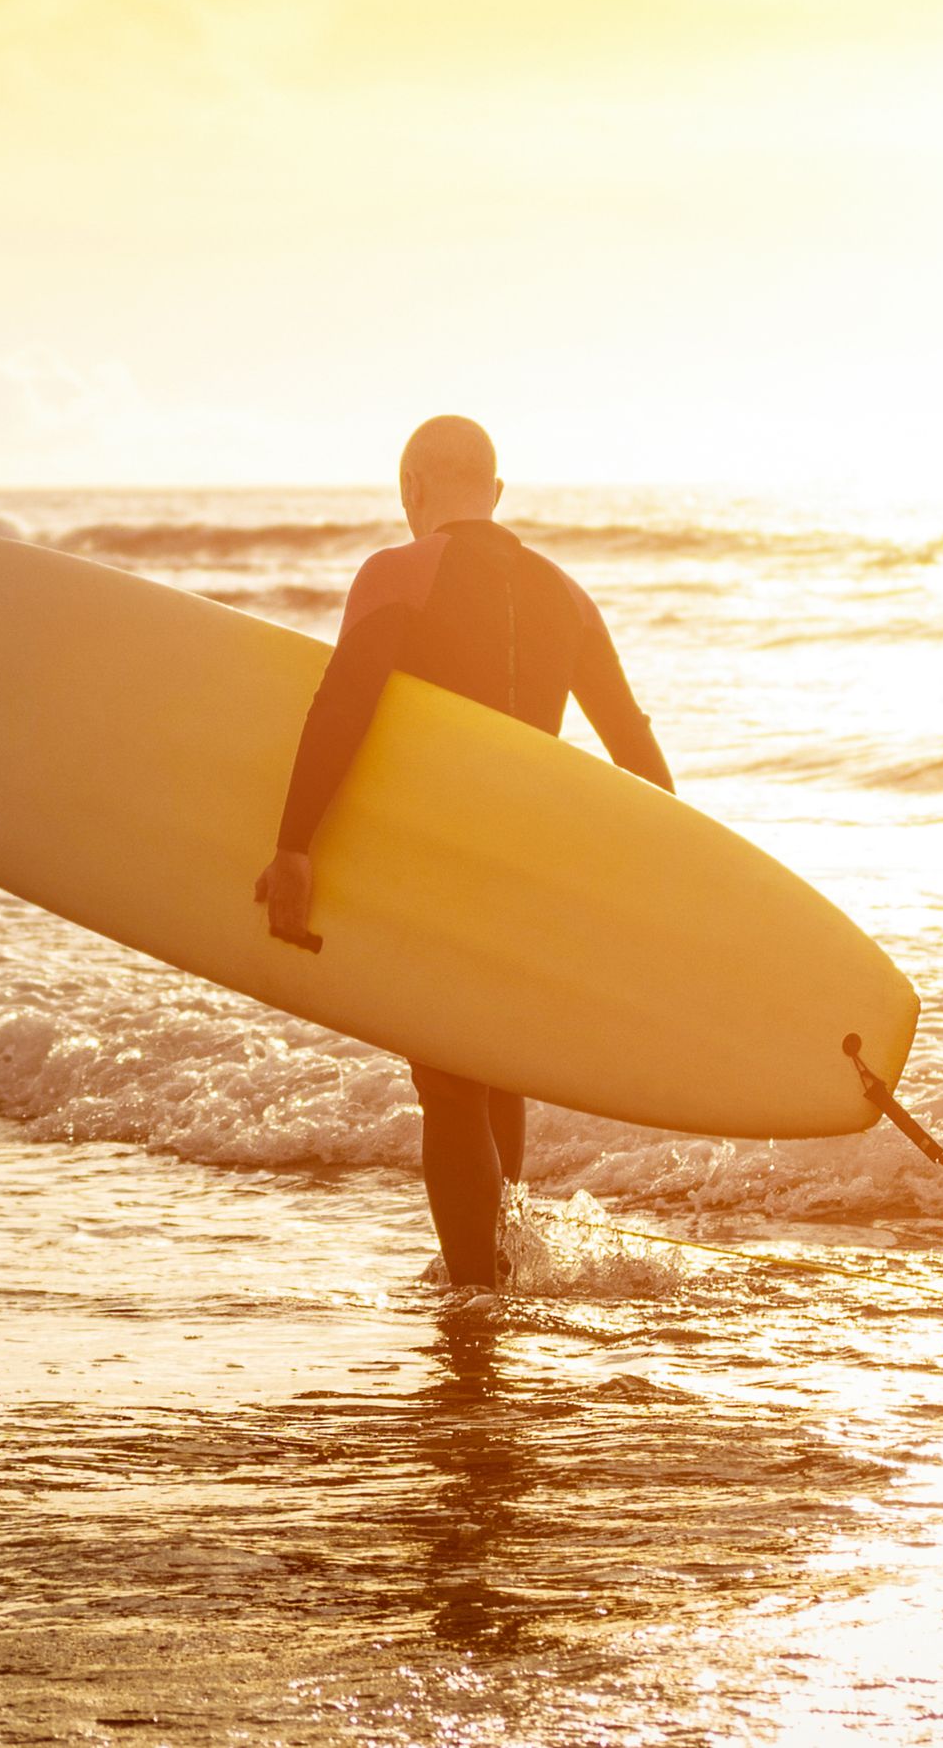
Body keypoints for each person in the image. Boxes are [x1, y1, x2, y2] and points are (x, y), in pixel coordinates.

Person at [256, 415, 674, 1289]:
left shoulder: (397, 572)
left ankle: (474, 1309)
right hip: (532, 873)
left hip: (443, 860)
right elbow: (635, 755)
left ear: (410, 487)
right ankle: (501, 1273)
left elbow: (344, 705)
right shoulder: (569, 595)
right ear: (496, 490)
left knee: (448, 1086)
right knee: (492, 1063)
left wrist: (293, 845)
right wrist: (670, 889)